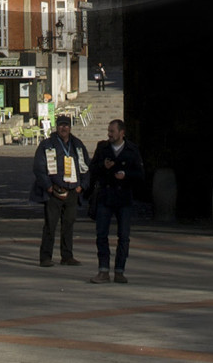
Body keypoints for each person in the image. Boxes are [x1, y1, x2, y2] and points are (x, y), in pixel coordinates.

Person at [87, 119, 145, 284]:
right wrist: (103, 167)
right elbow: (92, 169)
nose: (109, 134)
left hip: (124, 198)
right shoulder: (102, 148)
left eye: (112, 131)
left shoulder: (132, 150)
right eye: (109, 131)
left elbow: (140, 174)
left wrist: (126, 175)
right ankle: (103, 270)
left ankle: (120, 270)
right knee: (101, 234)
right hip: (105, 196)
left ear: (122, 133)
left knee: (124, 236)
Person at [31, 112, 90, 267]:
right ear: (56, 127)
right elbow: (39, 168)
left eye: (66, 125)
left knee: (68, 224)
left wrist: (82, 186)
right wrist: (49, 186)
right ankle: (45, 257)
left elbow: (85, 166)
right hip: (54, 191)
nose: (64, 128)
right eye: (61, 125)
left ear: (70, 127)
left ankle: (67, 256)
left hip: (73, 190)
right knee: (50, 225)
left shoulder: (77, 145)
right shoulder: (47, 144)